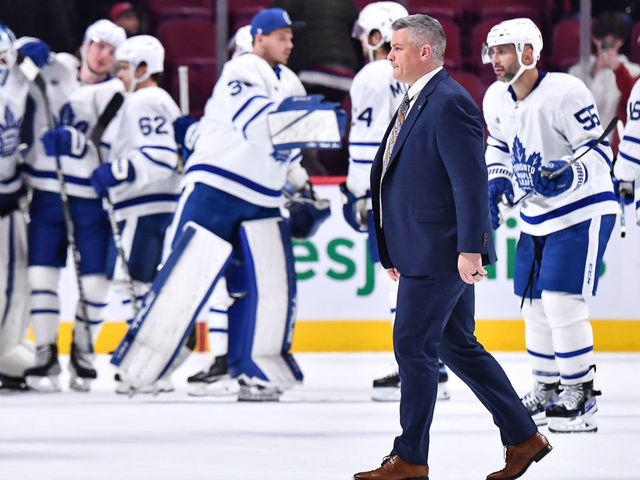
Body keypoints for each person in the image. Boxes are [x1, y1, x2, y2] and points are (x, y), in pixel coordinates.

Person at [354, 14, 549, 480]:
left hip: (441, 252)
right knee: (455, 344)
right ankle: (523, 437)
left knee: (413, 344)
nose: (389, 56)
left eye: (397, 48)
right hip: (422, 248)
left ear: (424, 52)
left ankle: (410, 458)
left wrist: (471, 248)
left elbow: (470, 182)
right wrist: (393, 247)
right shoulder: (416, 101)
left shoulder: (449, 103)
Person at [154, 7, 326, 401]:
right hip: (218, 188)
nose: (289, 43)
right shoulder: (241, 70)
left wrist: (303, 189)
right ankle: (152, 360)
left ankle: (253, 369)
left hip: (262, 195)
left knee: (263, 288)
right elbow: (261, 127)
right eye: (281, 36)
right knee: (184, 275)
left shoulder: (292, 82)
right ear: (259, 38)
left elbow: (291, 151)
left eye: (290, 36)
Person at [484, 18, 618, 433]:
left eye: (503, 50)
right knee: (533, 306)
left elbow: (597, 156)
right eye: (492, 51)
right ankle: (546, 387)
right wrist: (497, 183)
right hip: (536, 215)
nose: (495, 59)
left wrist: (566, 172)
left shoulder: (566, 92)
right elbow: (499, 148)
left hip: (583, 208)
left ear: (528, 53)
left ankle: (580, 393)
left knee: (561, 300)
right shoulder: (495, 98)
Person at [341, 1, 450, 403]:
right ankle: (429, 362)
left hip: (393, 193)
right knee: (419, 277)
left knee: (398, 280)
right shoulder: (420, 73)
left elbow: (368, 141)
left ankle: (417, 365)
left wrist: (358, 191)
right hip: (425, 189)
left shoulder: (372, 75)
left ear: (376, 34)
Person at [22, 19, 126, 392]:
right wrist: (30, 44)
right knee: (41, 276)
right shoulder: (59, 67)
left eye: (112, 51)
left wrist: (76, 144)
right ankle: (45, 354)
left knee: (96, 284)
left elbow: (110, 143)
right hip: (47, 192)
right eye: (99, 45)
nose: (103, 55)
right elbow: (17, 51)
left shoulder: (118, 92)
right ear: (85, 45)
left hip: (92, 201)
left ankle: (83, 352)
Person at [89, 34, 182, 393]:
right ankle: (154, 365)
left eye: (126, 67)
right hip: (157, 203)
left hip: (144, 203)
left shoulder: (144, 99)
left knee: (136, 286)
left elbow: (157, 156)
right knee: (142, 286)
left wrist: (114, 172)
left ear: (144, 68)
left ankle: (149, 367)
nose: (121, 75)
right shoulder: (154, 99)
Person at [0, 25, 47, 390]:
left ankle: (5, 350)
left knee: (16, 282)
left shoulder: (18, 79)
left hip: (10, 194)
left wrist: (35, 52)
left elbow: (49, 73)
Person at [568, 11, 640, 151]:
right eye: (603, 41)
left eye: (612, 43)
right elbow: (572, 106)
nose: (606, 47)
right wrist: (594, 72)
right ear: (595, 39)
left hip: (617, 148)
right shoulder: (576, 72)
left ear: (620, 42)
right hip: (581, 145)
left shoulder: (634, 72)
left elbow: (634, 104)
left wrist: (618, 69)